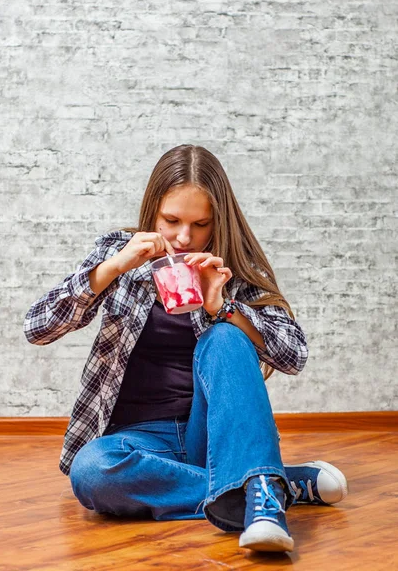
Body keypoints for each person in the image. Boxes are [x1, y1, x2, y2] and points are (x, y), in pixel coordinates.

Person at [24, 144, 347, 553]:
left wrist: (224, 307)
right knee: (91, 471)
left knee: (226, 335)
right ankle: (263, 483)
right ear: (151, 212)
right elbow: (37, 328)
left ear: (218, 221)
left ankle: (261, 499)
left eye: (200, 224)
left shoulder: (235, 269)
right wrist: (112, 269)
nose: (182, 236)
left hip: (209, 436)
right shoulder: (118, 254)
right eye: (171, 220)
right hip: (139, 442)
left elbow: (294, 355)